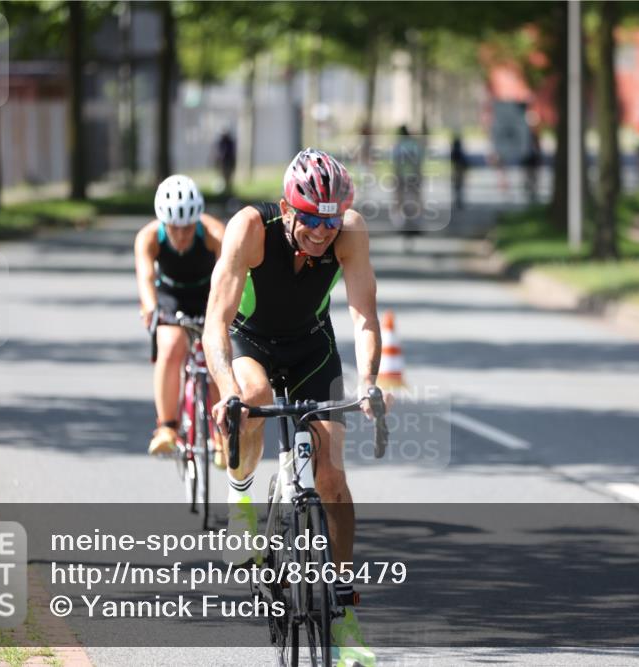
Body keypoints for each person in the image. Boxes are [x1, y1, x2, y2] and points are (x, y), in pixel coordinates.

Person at [203, 148, 385, 666]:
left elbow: (364, 316)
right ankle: (240, 504)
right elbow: (216, 323)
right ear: (287, 208)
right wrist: (226, 392)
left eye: (329, 221)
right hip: (251, 343)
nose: (321, 232)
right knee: (253, 400)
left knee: (331, 477)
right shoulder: (249, 229)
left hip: (311, 346)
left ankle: (345, 615)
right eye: (309, 219)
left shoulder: (350, 231)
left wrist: (368, 382)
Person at [135, 175, 225, 456]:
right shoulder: (148, 237)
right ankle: (167, 427)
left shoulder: (214, 234)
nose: (183, 235)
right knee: (171, 345)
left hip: (209, 294)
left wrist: (226, 313)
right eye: (175, 228)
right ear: (164, 223)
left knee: (215, 358)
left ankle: (223, 433)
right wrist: (151, 310)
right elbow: (146, 279)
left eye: (188, 227)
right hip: (170, 296)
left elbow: (230, 277)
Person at [393, 125, 424, 251]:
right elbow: (419, 163)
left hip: (401, 177)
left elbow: (396, 164)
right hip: (413, 177)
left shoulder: (398, 146)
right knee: (416, 201)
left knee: (400, 202)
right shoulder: (415, 145)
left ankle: (401, 224)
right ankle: (416, 224)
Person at [214, 130, 237, 199]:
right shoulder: (220, 142)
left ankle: (228, 193)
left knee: (228, 179)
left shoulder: (230, 142)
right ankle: (223, 193)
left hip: (229, 163)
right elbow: (218, 154)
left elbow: (232, 154)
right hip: (223, 163)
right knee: (222, 178)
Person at [450, 132, 468, 210]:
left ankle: (458, 202)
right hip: (459, 171)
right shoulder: (459, 152)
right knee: (459, 188)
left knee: (457, 188)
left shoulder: (454, 152)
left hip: (456, 170)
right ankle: (458, 202)